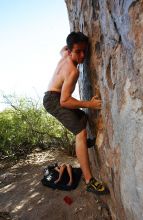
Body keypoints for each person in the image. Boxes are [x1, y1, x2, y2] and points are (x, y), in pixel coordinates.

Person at [43, 32, 109, 195]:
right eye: (78, 51)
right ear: (71, 51)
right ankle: (89, 181)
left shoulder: (65, 54)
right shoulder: (73, 71)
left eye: (84, 51)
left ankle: (84, 144)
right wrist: (90, 104)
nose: (82, 55)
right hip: (54, 100)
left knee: (82, 117)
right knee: (80, 132)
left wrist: (69, 47)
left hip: (53, 96)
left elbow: (62, 49)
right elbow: (64, 101)